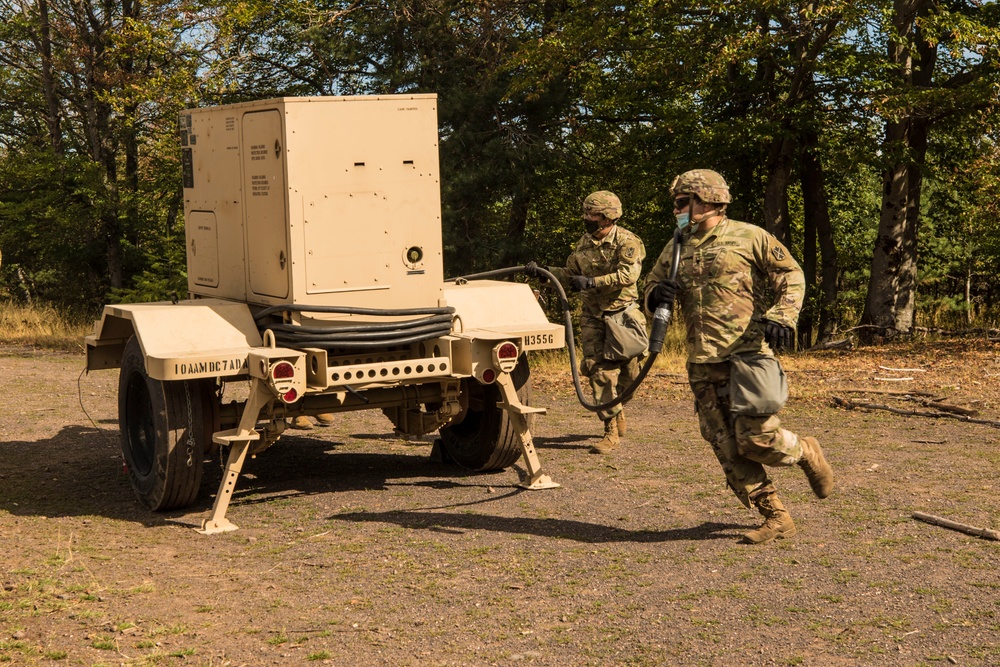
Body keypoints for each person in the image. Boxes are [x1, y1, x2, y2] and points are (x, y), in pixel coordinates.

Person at [643, 169, 833, 544]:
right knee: (725, 445)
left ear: (707, 200)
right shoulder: (677, 245)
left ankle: (805, 450)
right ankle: (776, 516)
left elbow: (791, 275)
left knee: (757, 439)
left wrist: (783, 316)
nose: (677, 210)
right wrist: (656, 295)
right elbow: (651, 288)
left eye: (683, 202)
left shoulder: (749, 236)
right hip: (701, 360)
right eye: (677, 203)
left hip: (745, 355)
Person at [530, 191, 646, 454]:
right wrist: (544, 273)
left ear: (607, 217)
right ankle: (610, 429)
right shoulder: (583, 244)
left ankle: (619, 407)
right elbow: (570, 273)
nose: (586, 218)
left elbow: (629, 274)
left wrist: (594, 282)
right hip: (593, 316)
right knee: (598, 370)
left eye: (591, 215)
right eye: (586, 214)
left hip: (622, 315)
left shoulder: (628, 242)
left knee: (630, 375)